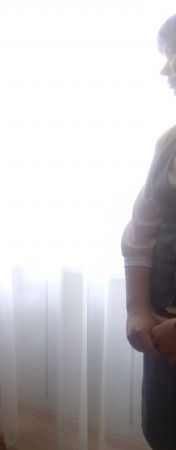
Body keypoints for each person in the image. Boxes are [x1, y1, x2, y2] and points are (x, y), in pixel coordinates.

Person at [122, 13, 176, 450]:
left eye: (172, 53)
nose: (165, 69)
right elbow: (140, 237)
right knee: (162, 432)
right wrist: (138, 310)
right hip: (162, 338)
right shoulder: (168, 144)